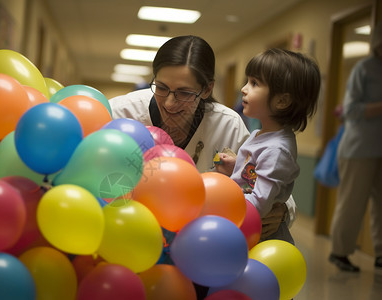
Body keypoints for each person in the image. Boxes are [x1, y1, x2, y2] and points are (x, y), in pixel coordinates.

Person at [109, 36, 296, 299]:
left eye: (184, 93)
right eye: (161, 88)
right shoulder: (122, 113)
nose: (170, 103)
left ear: (207, 89)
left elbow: (275, 185)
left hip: (201, 256)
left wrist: (281, 211)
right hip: (130, 244)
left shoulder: (228, 125)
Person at [217, 48, 321, 244]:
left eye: (254, 83)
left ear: (282, 100)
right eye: (247, 81)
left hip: (262, 235)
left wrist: (222, 201)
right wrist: (236, 165)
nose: (244, 89)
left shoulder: (277, 149)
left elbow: (260, 204)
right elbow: (254, 176)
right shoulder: (260, 134)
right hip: (245, 225)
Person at [328, 23, 382, 272]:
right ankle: (339, 252)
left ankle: (380, 254)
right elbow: (350, 110)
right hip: (358, 149)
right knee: (352, 203)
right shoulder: (364, 68)